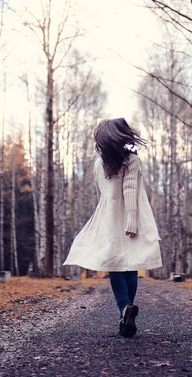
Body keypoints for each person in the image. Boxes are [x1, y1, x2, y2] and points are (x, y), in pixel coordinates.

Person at [63, 118, 162, 338]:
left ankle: (124, 310)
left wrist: (106, 218)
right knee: (131, 265)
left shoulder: (100, 163)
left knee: (115, 265)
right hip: (130, 215)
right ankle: (126, 310)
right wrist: (132, 220)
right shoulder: (132, 159)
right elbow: (130, 191)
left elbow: (103, 194)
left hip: (109, 217)